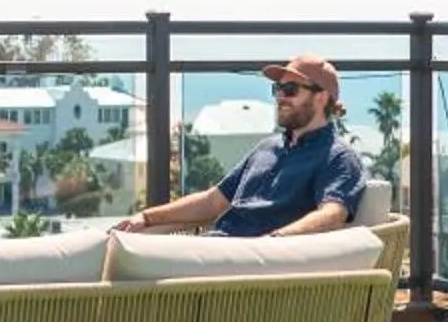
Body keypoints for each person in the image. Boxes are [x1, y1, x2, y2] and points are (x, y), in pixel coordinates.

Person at [115, 53, 368, 239]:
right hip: (217, 247)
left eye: (290, 89)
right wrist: (146, 217)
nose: (280, 97)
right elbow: (213, 201)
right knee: (110, 244)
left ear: (321, 97)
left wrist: (274, 242)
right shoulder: (267, 148)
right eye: (277, 89)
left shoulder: (337, 157)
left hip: (250, 263)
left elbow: (332, 214)